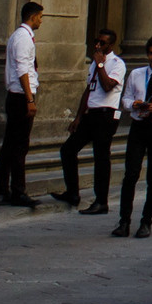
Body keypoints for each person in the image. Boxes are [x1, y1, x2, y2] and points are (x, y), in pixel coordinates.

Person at [56, 29, 124, 211]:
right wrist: (78, 116)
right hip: (91, 113)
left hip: (106, 114)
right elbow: (89, 89)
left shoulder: (117, 64)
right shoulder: (95, 63)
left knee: (101, 157)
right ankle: (72, 192)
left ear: (111, 45)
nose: (98, 46)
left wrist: (101, 65)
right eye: (97, 41)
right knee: (68, 150)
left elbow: (108, 86)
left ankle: (101, 201)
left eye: (102, 43)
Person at [114, 36, 152, 237]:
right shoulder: (136, 74)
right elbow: (126, 98)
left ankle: (146, 221)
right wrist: (135, 104)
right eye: (151, 53)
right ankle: (124, 220)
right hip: (138, 125)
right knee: (130, 174)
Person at [0, 1, 42, 207]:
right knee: (19, 145)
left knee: (10, 144)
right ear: (33, 17)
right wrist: (29, 99)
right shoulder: (24, 38)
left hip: (16, 95)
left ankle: (3, 189)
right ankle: (17, 190)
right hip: (20, 96)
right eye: (40, 17)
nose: (41, 20)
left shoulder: (18, 36)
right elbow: (23, 69)